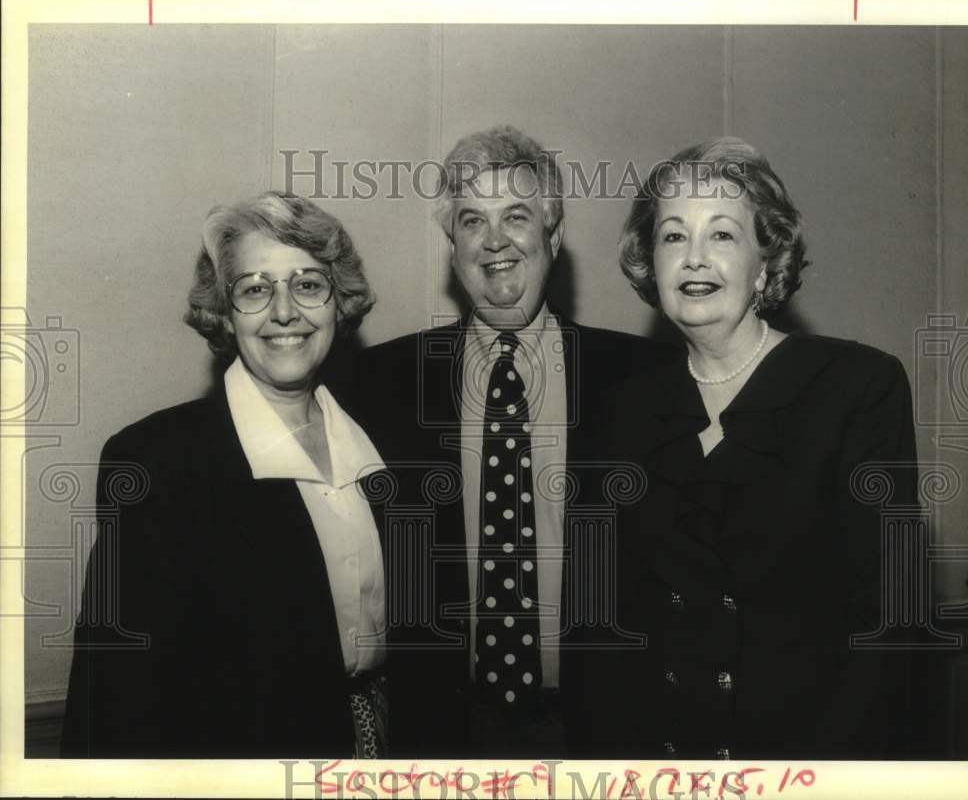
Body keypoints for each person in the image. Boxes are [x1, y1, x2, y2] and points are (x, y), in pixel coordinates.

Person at [350, 125, 671, 757]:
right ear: (452, 246)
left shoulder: (640, 378)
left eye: (516, 216)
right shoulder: (379, 384)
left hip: (602, 733)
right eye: (472, 221)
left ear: (553, 236)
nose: (493, 241)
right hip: (441, 732)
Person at [606, 137, 920, 759]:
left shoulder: (855, 387)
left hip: (804, 764)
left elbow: (889, 626)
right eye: (672, 237)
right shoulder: (623, 409)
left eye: (722, 235)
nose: (694, 259)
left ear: (764, 263)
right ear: (650, 264)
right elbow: (606, 636)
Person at [61, 192, 388, 758]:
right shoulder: (155, 461)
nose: (284, 312)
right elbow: (116, 696)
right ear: (224, 311)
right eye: (255, 289)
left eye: (308, 283)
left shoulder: (384, 443)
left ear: (339, 302)